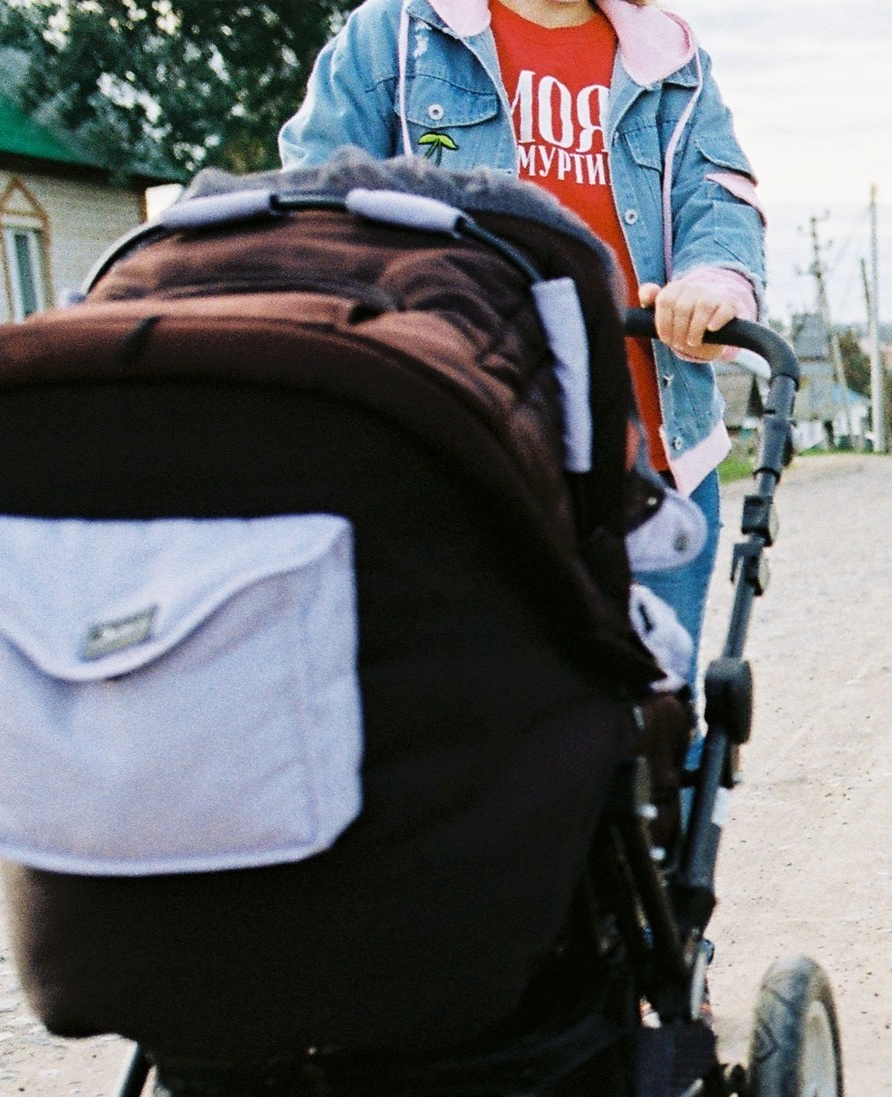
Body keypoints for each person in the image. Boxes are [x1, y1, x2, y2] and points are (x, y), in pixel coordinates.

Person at [280, 0, 767, 661]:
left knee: (655, 692)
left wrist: (710, 287)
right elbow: (315, 203)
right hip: (463, 452)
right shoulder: (397, 35)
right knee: (483, 694)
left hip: (649, 466)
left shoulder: (671, 60)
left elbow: (718, 200)